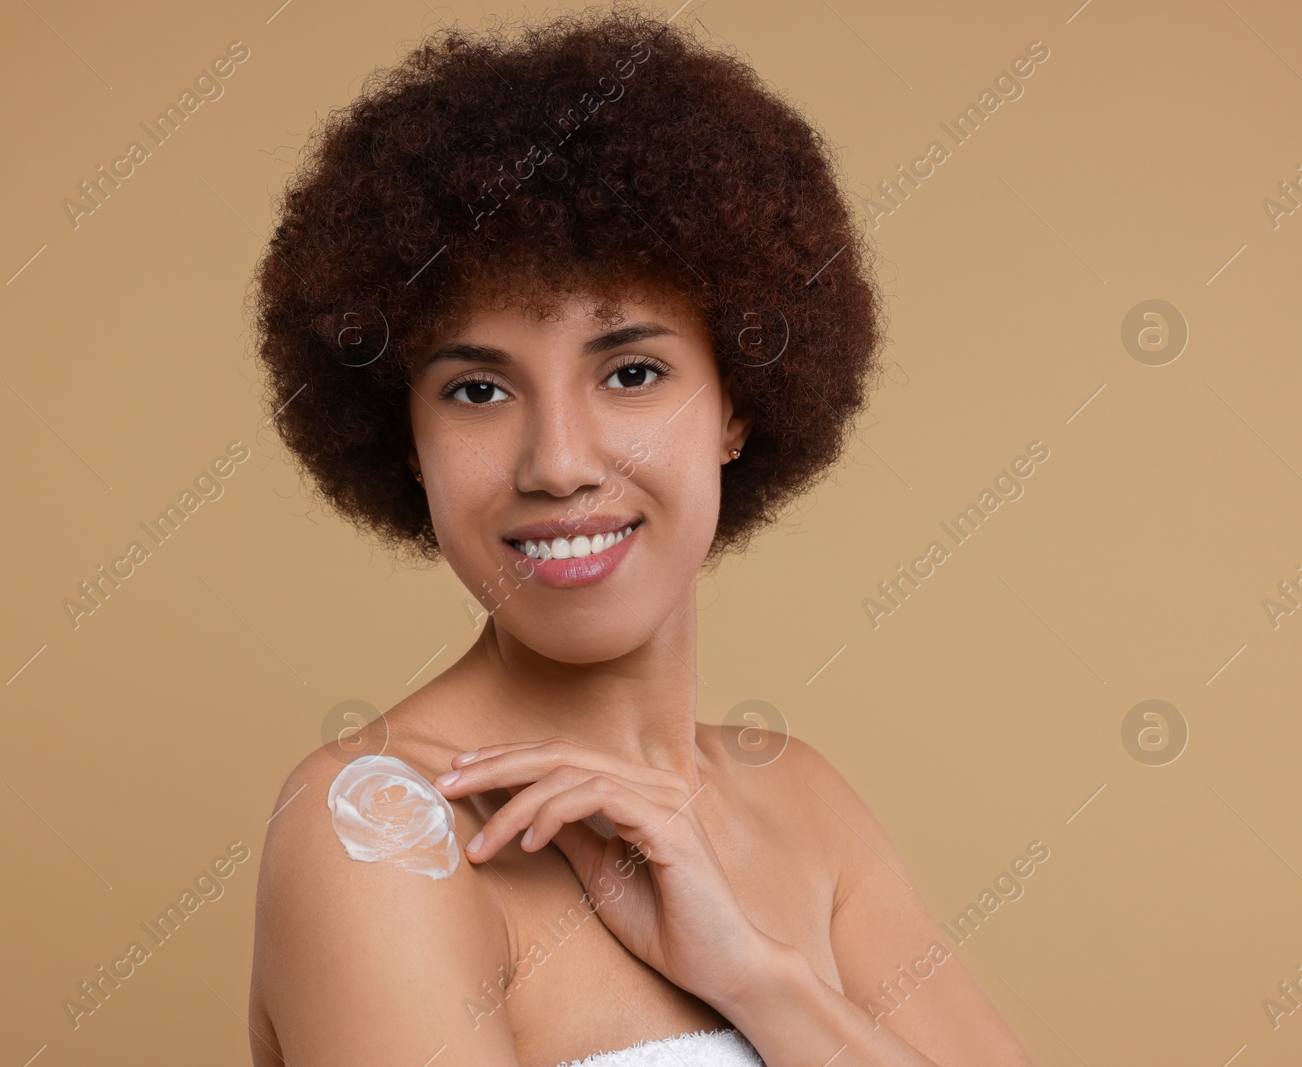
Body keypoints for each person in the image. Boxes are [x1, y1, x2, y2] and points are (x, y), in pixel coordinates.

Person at [244, 6, 1036, 1065]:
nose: (558, 460)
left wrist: (757, 975)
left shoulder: (800, 802)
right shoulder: (384, 831)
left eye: (630, 372)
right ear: (405, 439)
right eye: (478, 388)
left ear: (737, 404)